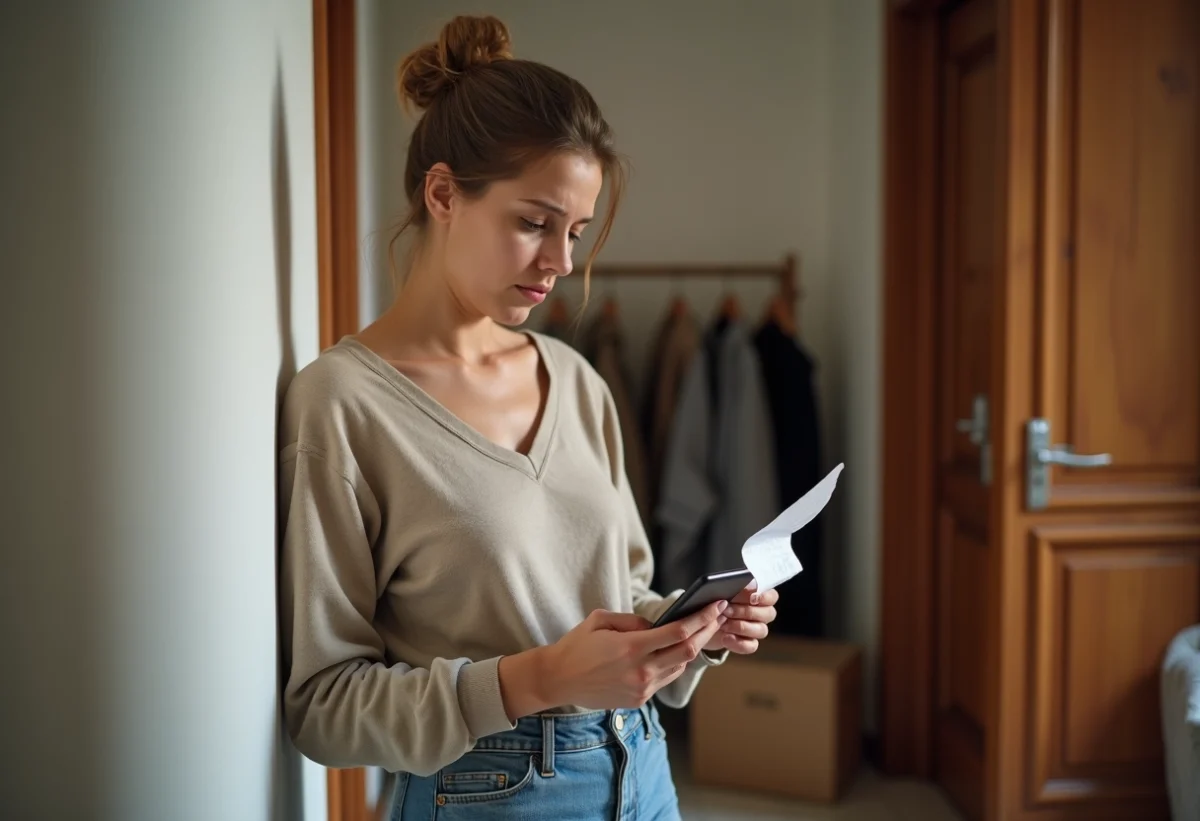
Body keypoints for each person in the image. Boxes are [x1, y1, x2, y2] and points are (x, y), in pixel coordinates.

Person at [278, 15, 780, 820]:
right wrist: (537, 679)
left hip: (642, 769)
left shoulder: (578, 381)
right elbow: (324, 705)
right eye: (533, 221)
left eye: (575, 231)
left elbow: (627, 589)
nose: (563, 262)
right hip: (482, 793)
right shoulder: (341, 405)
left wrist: (689, 629)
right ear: (442, 193)